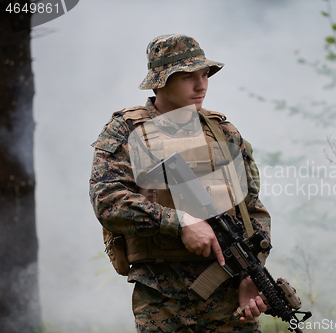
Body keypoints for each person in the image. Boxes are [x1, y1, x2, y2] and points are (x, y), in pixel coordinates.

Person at [89, 34, 271, 332]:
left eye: (204, 75)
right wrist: (180, 222)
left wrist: (252, 274)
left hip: (229, 301)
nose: (201, 86)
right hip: (163, 301)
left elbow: (253, 211)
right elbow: (108, 201)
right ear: (159, 81)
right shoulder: (126, 130)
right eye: (188, 77)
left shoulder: (223, 132)